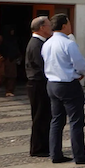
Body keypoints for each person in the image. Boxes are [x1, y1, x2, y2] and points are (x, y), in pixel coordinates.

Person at [41, 13, 85, 164]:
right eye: (69, 23)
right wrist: (81, 74)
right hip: (68, 84)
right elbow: (81, 65)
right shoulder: (68, 43)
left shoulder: (47, 43)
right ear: (65, 25)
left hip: (52, 84)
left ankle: (55, 154)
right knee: (76, 121)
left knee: (56, 120)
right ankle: (79, 155)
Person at [24, 16, 53, 158]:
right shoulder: (36, 44)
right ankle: (38, 148)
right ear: (42, 28)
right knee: (40, 117)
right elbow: (43, 66)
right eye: (49, 25)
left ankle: (43, 146)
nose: (51, 27)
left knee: (44, 116)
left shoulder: (39, 43)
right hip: (38, 84)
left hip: (38, 83)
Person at [0, 26, 21, 97]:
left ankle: (9, 91)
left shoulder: (13, 39)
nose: (12, 32)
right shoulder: (1, 38)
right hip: (4, 59)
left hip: (12, 59)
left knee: (12, 76)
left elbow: (16, 48)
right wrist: (0, 56)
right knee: (2, 76)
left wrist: (18, 57)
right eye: (11, 30)